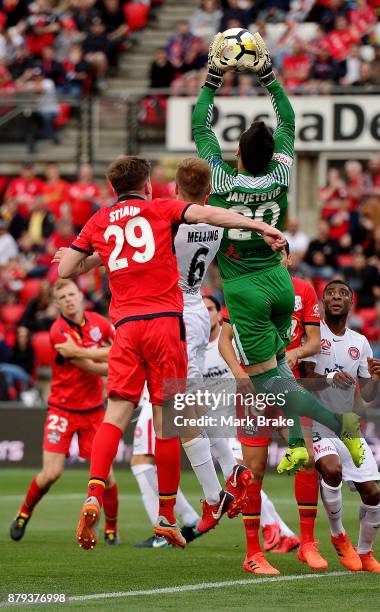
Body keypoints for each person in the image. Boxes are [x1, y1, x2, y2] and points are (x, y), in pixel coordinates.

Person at [192, 32, 365, 574]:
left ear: (238, 153)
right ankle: (302, 436)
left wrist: (214, 79)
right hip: (280, 282)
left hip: (242, 284)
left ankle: (338, 426)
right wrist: (268, 78)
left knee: (267, 380)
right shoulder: (284, 172)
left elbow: (201, 126)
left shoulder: (221, 177)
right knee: (276, 384)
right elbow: (288, 121)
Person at [57, 155, 286, 551]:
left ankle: (99, 488)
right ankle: (184, 504)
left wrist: (77, 259)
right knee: (175, 414)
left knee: (123, 413)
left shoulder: (102, 219)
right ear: (149, 186)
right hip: (175, 318)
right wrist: (260, 224)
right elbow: (213, 215)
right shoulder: (169, 212)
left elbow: (75, 267)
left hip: (131, 323)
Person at [129, 158, 253, 548]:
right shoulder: (216, 219)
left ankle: (214, 498)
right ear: (208, 194)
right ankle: (235, 471)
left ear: (176, 193)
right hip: (199, 310)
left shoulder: (169, 221)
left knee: (179, 415)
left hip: (174, 314)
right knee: (193, 406)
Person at [9, 279, 120, 545]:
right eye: (63, 297)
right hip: (62, 408)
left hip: (93, 410)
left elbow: (122, 347)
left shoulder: (100, 323)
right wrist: (117, 363)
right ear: (57, 304)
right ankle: (24, 513)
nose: (69, 300)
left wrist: (116, 356)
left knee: (107, 475)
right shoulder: (58, 331)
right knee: (51, 473)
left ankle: (111, 530)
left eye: (72, 294)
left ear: (81, 296)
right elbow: (89, 367)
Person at [302, 280, 380, 573]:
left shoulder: (360, 342)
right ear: (323, 302)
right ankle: (339, 536)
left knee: (373, 493)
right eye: (330, 293)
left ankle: (365, 554)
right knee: (331, 469)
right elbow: (304, 377)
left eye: (342, 294)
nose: (336, 297)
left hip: (347, 427)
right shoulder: (314, 335)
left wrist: (375, 378)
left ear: (351, 303)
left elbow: (366, 395)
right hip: (316, 423)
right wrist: (329, 378)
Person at [204, 294, 299, 555]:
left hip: (243, 417)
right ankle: (285, 533)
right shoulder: (196, 348)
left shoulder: (230, 344)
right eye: (202, 310)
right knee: (241, 476)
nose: (206, 314)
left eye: (211, 308)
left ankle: (273, 528)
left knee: (243, 475)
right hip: (217, 425)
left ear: (219, 313)